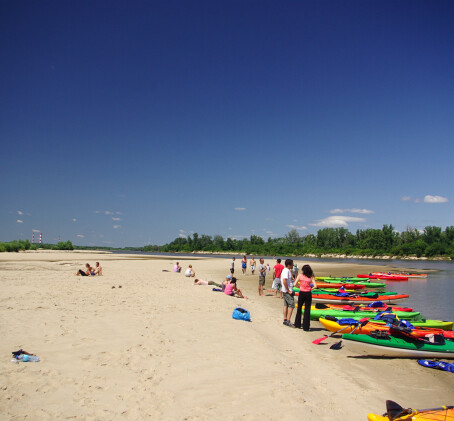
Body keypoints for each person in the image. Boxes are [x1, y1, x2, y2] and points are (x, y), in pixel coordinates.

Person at [294, 264, 317, 331]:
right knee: (307, 309)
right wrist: (310, 288)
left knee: (299, 308)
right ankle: (306, 326)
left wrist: (299, 287)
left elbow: (295, 284)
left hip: (301, 292)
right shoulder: (311, 276)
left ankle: (297, 324)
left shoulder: (300, 275)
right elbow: (315, 286)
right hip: (308, 293)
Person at [281, 259, 295, 327]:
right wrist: (288, 290)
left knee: (286, 305)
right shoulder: (286, 271)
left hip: (285, 290)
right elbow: (284, 281)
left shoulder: (285, 270)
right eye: (292, 264)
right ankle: (288, 321)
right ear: (289, 265)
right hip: (287, 291)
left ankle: (285, 319)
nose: (293, 265)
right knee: (291, 305)